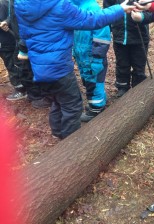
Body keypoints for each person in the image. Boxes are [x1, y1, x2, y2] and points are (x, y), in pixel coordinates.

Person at [14, 0, 135, 139]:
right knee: (72, 106)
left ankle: (57, 133)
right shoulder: (60, 6)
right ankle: (70, 142)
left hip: (39, 69)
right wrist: (120, 9)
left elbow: (23, 35)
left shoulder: (22, 6)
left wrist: (23, 51)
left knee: (57, 100)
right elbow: (93, 19)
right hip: (59, 68)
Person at [0, 0, 51, 108]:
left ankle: (39, 96)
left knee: (29, 66)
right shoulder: (12, 2)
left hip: (29, 39)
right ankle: (34, 93)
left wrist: (24, 41)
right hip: (21, 38)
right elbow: (14, 14)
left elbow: (32, 16)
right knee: (23, 66)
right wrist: (8, 21)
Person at [104, 0, 154, 97]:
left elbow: (153, 14)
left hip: (139, 36)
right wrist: (108, 30)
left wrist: (141, 17)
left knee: (139, 65)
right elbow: (107, 11)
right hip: (119, 37)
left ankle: (138, 89)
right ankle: (122, 87)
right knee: (122, 63)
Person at [71, 0, 112, 122]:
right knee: (87, 80)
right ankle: (99, 100)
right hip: (82, 55)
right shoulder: (74, 7)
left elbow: (102, 36)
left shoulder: (92, 8)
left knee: (94, 82)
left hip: (92, 57)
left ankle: (96, 108)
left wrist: (97, 58)